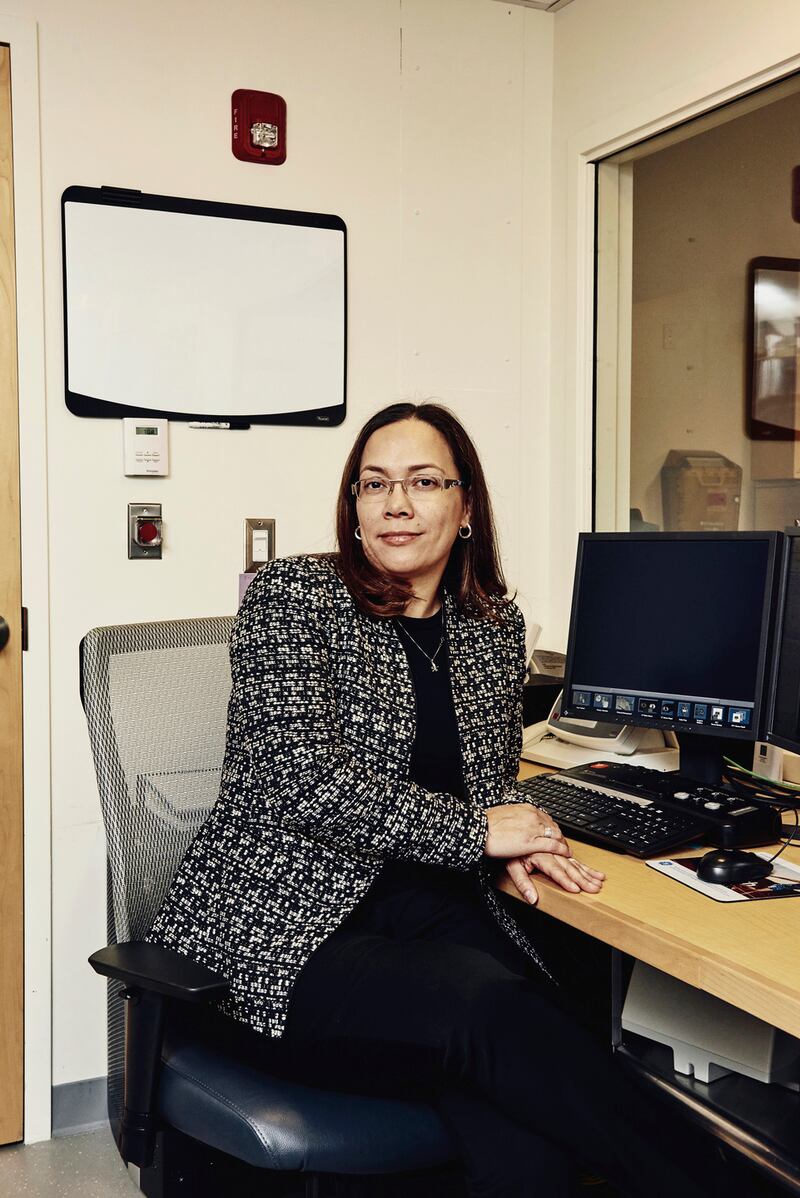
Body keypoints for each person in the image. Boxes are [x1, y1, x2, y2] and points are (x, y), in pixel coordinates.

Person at [148, 402, 731, 1197]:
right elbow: (302, 781)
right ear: (352, 509)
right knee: (488, 1018)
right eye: (374, 484)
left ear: (464, 507)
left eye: (423, 482)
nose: (396, 503)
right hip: (286, 932)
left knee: (531, 1059)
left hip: (427, 908)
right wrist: (478, 833)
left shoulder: (492, 627)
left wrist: (520, 837)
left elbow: (487, 785)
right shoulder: (293, 598)